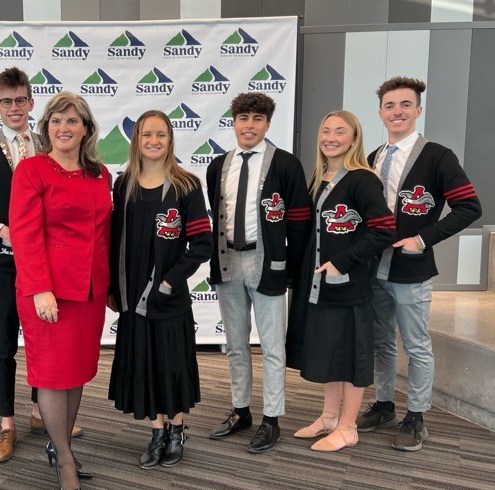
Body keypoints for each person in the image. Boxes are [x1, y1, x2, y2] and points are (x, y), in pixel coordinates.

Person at [0, 67, 80, 464]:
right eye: (6, 101)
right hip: (6, 263)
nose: (14, 108)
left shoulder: (49, 143)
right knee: (6, 345)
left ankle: (41, 412)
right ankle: (7, 425)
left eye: (21, 100)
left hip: (49, 263)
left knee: (45, 345)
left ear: (30, 102)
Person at [358, 77, 481, 451]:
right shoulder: (371, 157)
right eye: (390, 106)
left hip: (411, 269)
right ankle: (383, 404)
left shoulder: (438, 156)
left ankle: (416, 415)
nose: (397, 111)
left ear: (418, 110)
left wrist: (423, 238)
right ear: (380, 113)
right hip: (373, 267)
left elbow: (469, 207)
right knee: (381, 342)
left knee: (415, 344)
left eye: (405, 105)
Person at [9, 92, 111, 490]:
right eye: (55, 121)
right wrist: (39, 288)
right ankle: (65, 458)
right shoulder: (32, 170)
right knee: (53, 375)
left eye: (72, 121)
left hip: (89, 291)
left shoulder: (100, 173)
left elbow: (105, 234)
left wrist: (112, 287)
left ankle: (59, 443)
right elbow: (25, 233)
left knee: (78, 371)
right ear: (45, 126)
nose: (63, 128)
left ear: (86, 128)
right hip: (47, 292)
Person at [205, 92, 312, 453]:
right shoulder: (218, 165)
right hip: (228, 261)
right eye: (243, 118)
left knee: (271, 345)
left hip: (267, 262)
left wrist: (292, 270)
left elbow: (299, 222)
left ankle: (272, 418)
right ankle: (241, 410)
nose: (249, 125)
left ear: (268, 124)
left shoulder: (285, 164)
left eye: (257, 119)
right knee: (235, 344)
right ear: (233, 122)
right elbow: (216, 214)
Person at [107, 110, 211, 469]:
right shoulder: (123, 184)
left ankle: (177, 429)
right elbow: (113, 240)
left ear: (170, 140)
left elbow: (201, 244)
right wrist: (112, 287)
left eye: (161, 135)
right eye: (146, 134)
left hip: (169, 297)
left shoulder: (186, 185)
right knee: (144, 363)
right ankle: (156, 430)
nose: (153, 141)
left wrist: (169, 281)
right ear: (136, 140)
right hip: (131, 293)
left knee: (171, 362)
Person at [286, 110, 395, 451]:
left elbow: (384, 229)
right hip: (319, 285)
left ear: (354, 138)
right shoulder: (319, 178)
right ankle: (330, 417)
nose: (330, 137)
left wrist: (342, 262)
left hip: (348, 285)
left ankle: (348, 427)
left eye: (340, 131)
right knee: (330, 351)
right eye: (325, 130)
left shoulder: (363, 179)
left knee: (351, 355)